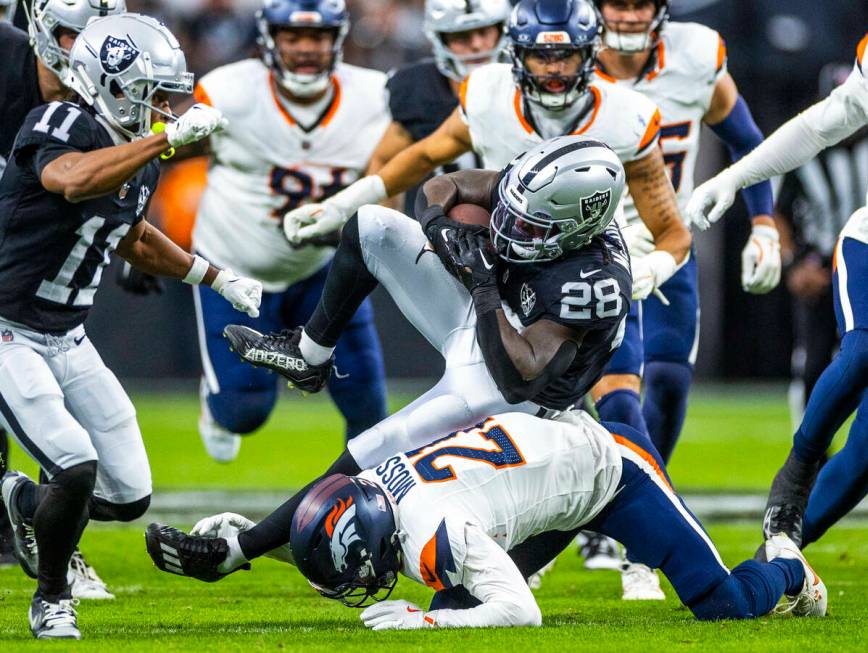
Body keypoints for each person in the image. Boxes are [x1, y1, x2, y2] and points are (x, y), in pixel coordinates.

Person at [282, 0, 691, 599]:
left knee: (622, 414)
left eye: (566, 54)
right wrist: (345, 204)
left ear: (590, 53)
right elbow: (424, 162)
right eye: (540, 54)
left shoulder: (627, 116)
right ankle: (531, 542)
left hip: (594, 282)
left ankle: (641, 555)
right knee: (512, 418)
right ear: (516, 55)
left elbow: (673, 230)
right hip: (514, 271)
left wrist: (651, 267)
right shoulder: (487, 92)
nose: (552, 69)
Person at [143, 137, 636, 594]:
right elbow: (446, 186)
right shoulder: (534, 194)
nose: (506, 227)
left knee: (378, 448)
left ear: (576, 228)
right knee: (372, 226)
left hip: (518, 389)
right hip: (488, 322)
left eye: (526, 226)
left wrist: (484, 282)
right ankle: (309, 357)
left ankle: (233, 553)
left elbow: (515, 377)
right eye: (507, 211)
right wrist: (442, 226)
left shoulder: (591, 282)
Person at [0, 13, 262, 639]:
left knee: (127, 495)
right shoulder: (61, 120)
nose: (165, 109)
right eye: (153, 93)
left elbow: (133, 237)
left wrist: (214, 277)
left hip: (67, 335)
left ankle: (18, 501)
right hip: (8, 326)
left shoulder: (137, 155)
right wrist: (160, 145)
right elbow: (70, 180)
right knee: (74, 464)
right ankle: (52, 598)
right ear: (111, 83)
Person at [148, 410, 827, 628]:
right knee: (453, 594)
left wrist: (430, 619)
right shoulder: (374, 494)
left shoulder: (435, 528)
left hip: (608, 470)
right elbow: (341, 531)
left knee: (720, 604)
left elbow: (520, 610)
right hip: (540, 487)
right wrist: (269, 541)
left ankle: (787, 567)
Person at [574, 0, 776, 590]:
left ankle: (634, 531)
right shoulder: (566, 66)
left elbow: (747, 140)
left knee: (666, 384)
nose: (630, 15)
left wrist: (763, 221)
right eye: (618, 3)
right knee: (609, 397)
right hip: (590, 250)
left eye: (641, 3)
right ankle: (639, 536)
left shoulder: (694, 57)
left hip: (667, 247)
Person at [181, 0, 390, 463]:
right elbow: (165, 147)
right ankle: (214, 399)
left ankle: (370, 505)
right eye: (292, 37)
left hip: (323, 273)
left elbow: (395, 177)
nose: (305, 49)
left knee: (367, 405)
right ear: (270, 40)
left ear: (336, 39)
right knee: (243, 413)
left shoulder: (376, 96)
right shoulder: (227, 90)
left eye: (316, 37)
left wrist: (347, 228)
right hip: (233, 270)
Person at [686, 32, 868, 549]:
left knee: (866, 453)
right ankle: (797, 471)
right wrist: (737, 178)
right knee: (862, 352)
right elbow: (822, 123)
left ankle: (779, 554)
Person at [0, 0, 129, 594]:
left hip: (29, 271)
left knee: (104, 474)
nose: (87, 46)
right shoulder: (8, 63)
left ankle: (36, 517)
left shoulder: (104, 96)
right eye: (75, 32)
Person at [775, 64, 867, 431]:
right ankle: (809, 454)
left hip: (866, 260)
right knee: (813, 362)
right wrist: (794, 263)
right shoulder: (805, 150)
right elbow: (778, 215)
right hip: (819, 264)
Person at [370, 0, 511, 216]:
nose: (476, 45)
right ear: (440, 39)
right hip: (438, 224)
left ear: (502, 29)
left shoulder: (522, 84)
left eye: (484, 32)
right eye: (461, 36)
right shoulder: (418, 88)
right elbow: (385, 161)